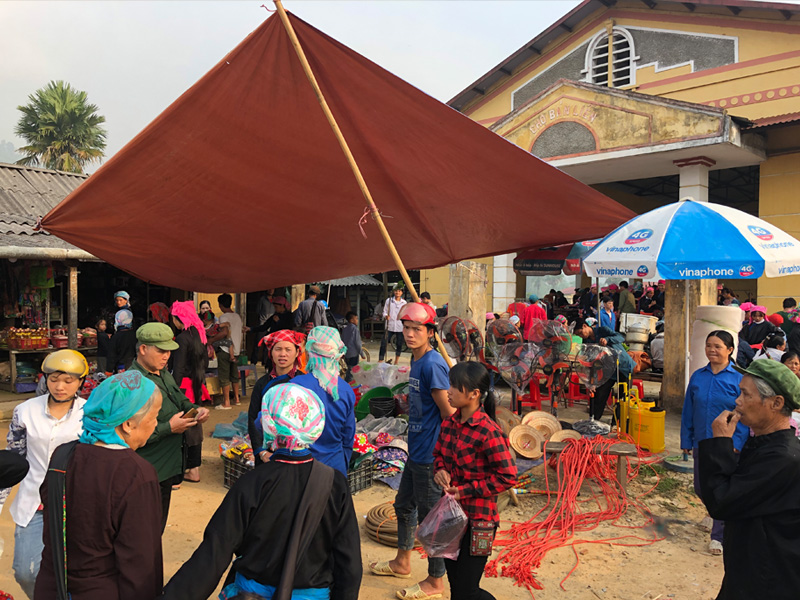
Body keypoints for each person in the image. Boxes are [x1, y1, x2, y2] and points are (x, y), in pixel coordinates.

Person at [162, 383, 362, 600]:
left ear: (269, 424)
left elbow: (215, 551)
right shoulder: (335, 484)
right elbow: (349, 562)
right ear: (315, 425)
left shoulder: (252, 482)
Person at [34, 371, 164, 600]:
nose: (156, 424)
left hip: (51, 587)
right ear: (128, 424)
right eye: (154, 416)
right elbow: (140, 562)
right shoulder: (137, 474)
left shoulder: (63, 455)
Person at [369, 302, 454, 600]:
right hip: (414, 451)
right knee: (404, 507)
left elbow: (448, 413)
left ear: (430, 332)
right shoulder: (417, 361)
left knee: (432, 521)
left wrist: (444, 460)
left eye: (417, 329)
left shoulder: (432, 364)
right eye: (406, 328)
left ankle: (435, 581)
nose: (409, 333)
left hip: (430, 457)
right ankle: (402, 562)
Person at [698, 359, 800, 600]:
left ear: (776, 403)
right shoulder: (766, 444)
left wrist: (720, 443)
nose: (738, 401)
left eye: (745, 394)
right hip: (749, 570)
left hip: (768, 580)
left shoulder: (783, 458)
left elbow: (721, 501)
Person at [0, 350, 88, 599]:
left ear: (80, 381)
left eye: (68, 380)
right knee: (25, 572)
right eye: (53, 379)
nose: (60, 387)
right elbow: (13, 459)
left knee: (75, 570)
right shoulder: (24, 411)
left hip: (76, 503)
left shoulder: (91, 413)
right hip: (33, 503)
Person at [433, 362, 516, 600]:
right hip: (450, 517)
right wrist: (440, 471)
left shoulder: (489, 432)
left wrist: (466, 491)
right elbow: (438, 455)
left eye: (454, 387)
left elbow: (507, 476)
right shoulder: (449, 423)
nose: (448, 391)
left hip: (479, 520)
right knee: (455, 585)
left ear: (474, 394)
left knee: (467, 590)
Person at [130, 323, 209, 531]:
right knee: (144, 531)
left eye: (168, 351)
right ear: (143, 349)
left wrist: (195, 409)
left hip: (167, 468)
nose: (166, 356)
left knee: (157, 528)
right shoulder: (133, 383)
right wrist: (169, 428)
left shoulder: (162, 373)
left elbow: (179, 399)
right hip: (148, 470)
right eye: (161, 351)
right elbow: (129, 437)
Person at [680, 330, 746, 556]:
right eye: (709, 345)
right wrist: (685, 438)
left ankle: (718, 537)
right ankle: (712, 512)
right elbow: (689, 410)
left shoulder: (739, 379)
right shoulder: (698, 376)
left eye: (717, 346)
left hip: (727, 444)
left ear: (729, 350)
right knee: (701, 486)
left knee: (722, 488)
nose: (711, 350)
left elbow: (744, 414)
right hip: (701, 440)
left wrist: (737, 441)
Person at [293, 327, 357, 476]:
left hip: (301, 467)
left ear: (309, 353)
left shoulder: (296, 385)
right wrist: (343, 463)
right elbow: (348, 437)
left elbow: (268, 424)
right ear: (337, 355)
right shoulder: (346, 390)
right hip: (335, 467)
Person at [248, 329, 306, 465]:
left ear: (297, 352)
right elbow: (252, 418)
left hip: (297, 451)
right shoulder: (262, 384)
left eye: (288, 349)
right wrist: (261, 452)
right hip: (267, 452)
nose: (283, 354)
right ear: (271, 353)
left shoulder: (304, 382)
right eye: (278, 349)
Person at [170, 300, 210, 483]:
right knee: (195, 424)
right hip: (197, 386)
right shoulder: (200, 335)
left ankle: (189, 469)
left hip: (184, 388)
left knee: (183, 427)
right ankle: (194, 468)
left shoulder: (181, 338)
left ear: (179, 319)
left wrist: (173, 392)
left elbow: (177, 369)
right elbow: (205, 364)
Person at [572, 318, 635, 422]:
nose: (581, 336)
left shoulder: (603, 330)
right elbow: (591, 362)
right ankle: (594, 421)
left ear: (585, 326)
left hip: (623, 366)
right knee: (600, 393)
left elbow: (620, 337)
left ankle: (617, 424)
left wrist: (607, 339)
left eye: (580, 333)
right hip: (607, 370)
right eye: (578, 335)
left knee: (622, 397)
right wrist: (592, 382)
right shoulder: (587, 342)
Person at [214, 293, 244, 409]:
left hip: (225, 349)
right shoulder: (237, 316)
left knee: (224, 376)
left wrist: (211, 340)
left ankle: (226, 402)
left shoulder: (223, 317)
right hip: (236, 351)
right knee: (234, 375)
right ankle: (236, 399)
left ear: (220, 305)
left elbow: (224, 333)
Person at [380, 286, 407, 364]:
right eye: (396, 291)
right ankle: (381, 359)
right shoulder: (389, 301)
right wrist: (386, 316)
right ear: (393, 292)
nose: (397, 292)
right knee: (384, 343)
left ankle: (396, 360)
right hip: (390, 325)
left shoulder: (404, 303)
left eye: (399, 291)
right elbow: (384, 311)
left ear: (401, 292)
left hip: (399, 326)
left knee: (399, 343)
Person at [107, 308, 137, 372]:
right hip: (134, 366)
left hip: (121, 367)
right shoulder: (135, 335)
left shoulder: (116, 337)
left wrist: (109, 370)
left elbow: (112, 355)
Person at [341, 311, 365, 382]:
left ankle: (347, 383)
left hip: (346, 353)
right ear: (351, 320)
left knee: (349, 369)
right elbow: (357, 343)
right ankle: (348, 386)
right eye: (356, 319)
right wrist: (362, 353)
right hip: (354, 354)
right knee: (352, 372)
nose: (357, 320)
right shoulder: (355, 329)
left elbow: (342, 341)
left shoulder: (345, 329)